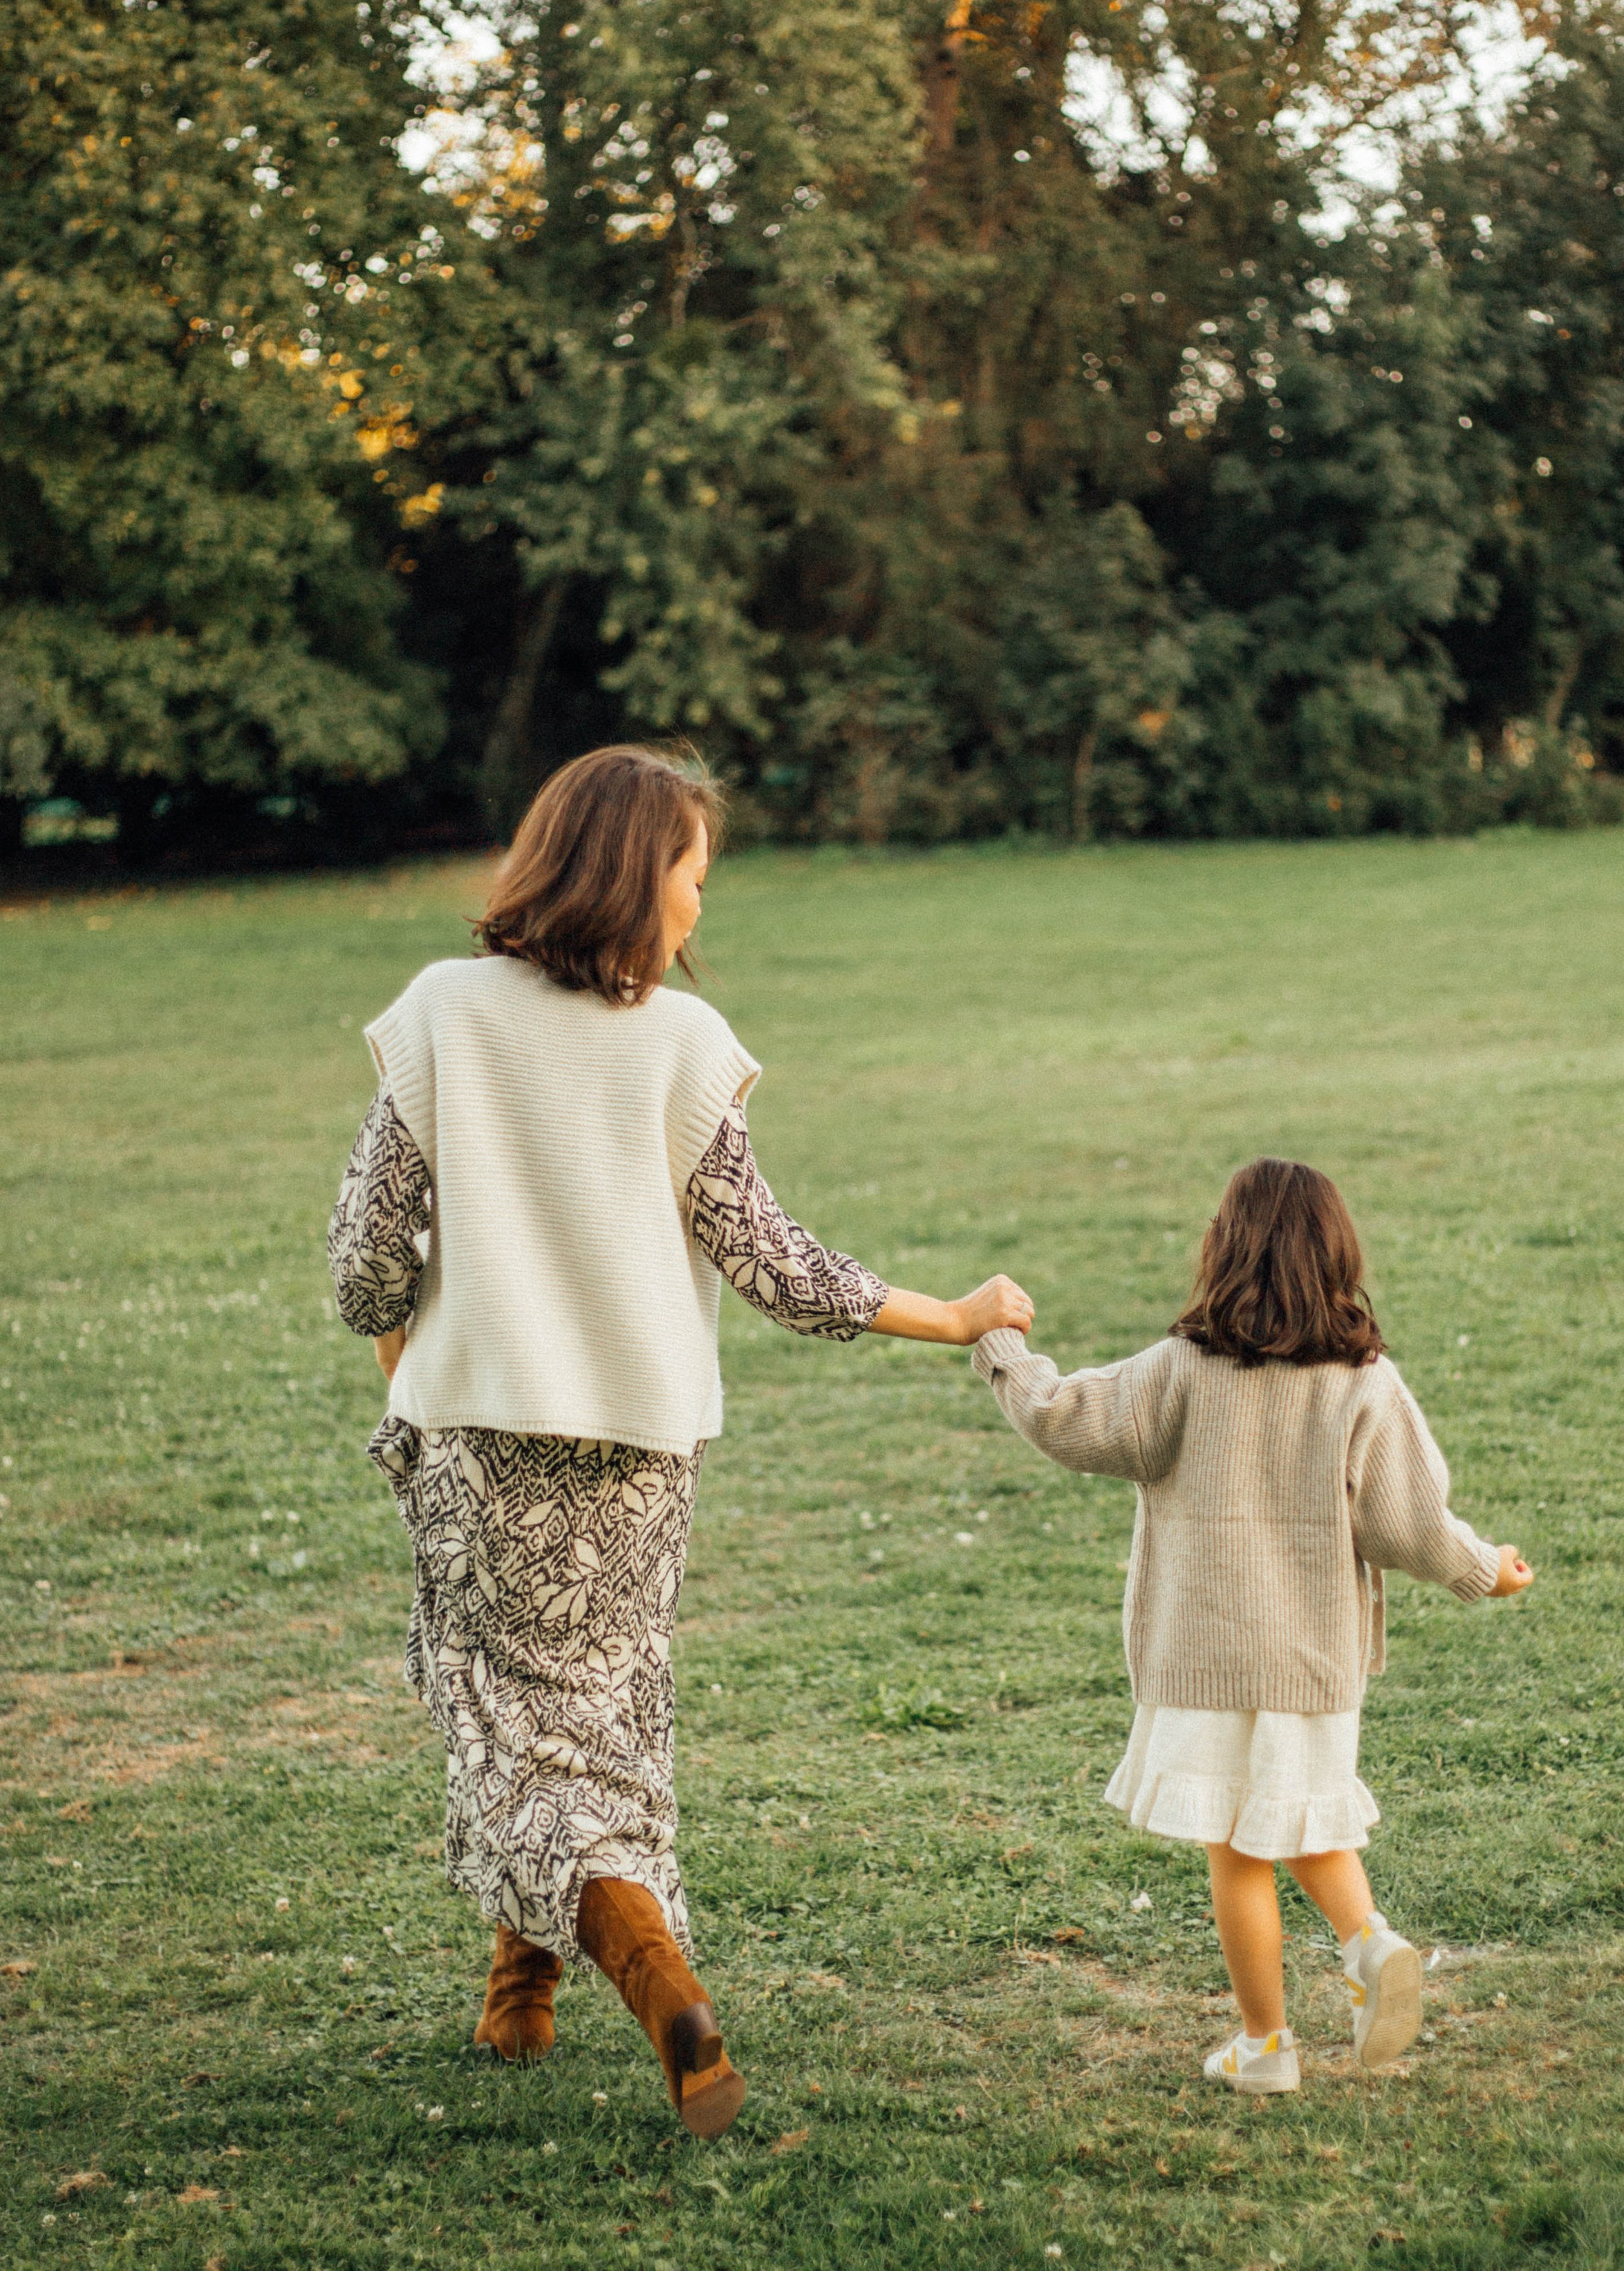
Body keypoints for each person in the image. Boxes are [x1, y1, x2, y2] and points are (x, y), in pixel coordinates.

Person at [327, 745, 1032, 2137]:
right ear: (627, 878)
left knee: (503, 1725)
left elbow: (363, 1254)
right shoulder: (681, 1052)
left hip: (478, 1444)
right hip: (642, 1461)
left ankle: (655, 1986)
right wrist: (951, 1316)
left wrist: (400, 1351)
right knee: (596, 1724)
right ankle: (516, 1995)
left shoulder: (442, 1018)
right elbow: (770, 1264)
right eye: (693, 879)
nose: (701, 910)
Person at [971, 1156, 1531, 2095]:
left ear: (1224, 1249)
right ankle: (1369, 1944)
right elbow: (1409, 1520)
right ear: (1338, 1254)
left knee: (1238, 1854)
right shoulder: (1364, 1381)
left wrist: (1000, 1349)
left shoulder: (1183, 1369)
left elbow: (1067, 1419)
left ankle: (1266, 2048)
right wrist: (1484, 1568)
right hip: (1313, 1661)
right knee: (1306, 1818)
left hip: (1204, 1661)